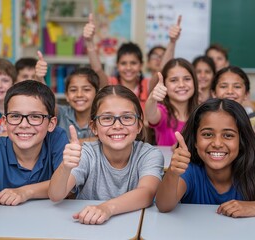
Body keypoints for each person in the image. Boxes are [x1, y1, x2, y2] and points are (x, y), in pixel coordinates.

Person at [48, 85, 164, 225]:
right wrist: (65, 167)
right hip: (89, 229)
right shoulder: (87, 153)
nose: (117, 125)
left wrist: (107, 208)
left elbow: (146, 193)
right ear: (94, 127)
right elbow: (55, 195)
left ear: (139, 126)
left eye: (127, 117)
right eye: (107, 118)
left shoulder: (150, 154)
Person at [0, 80, 68, 205]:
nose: (24, 125)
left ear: (51, 124)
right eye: (15, 116)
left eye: (35, 117)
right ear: (4, 122)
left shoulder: (57, 139)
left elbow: (67, 186)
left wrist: (26, 192)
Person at [83, 14, 149, 110]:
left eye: (133, 63)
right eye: (123, 63)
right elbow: (97, 69)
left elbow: (162, 70)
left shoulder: (147, 85)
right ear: (117, 65)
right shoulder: (110, 83)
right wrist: (89, 42)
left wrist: (172, 42)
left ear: (141, 65)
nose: (128, 67)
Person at [35, 54, 100, 141]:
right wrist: (40, 79)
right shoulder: (61, 113)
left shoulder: (102, 116)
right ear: (66, 95)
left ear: (97, 94)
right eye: (73, 90)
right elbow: (47, 102)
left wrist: (75, 143)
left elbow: (104, 140)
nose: (79, 94)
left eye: (86, 89)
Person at [145, 58, 198, 146]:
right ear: (164, 85)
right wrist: (152, 98)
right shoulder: (162, 112)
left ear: (194, 82)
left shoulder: (201, 113)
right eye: (174, 80)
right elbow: (150, 114)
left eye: (187, 79)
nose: (181, 85)